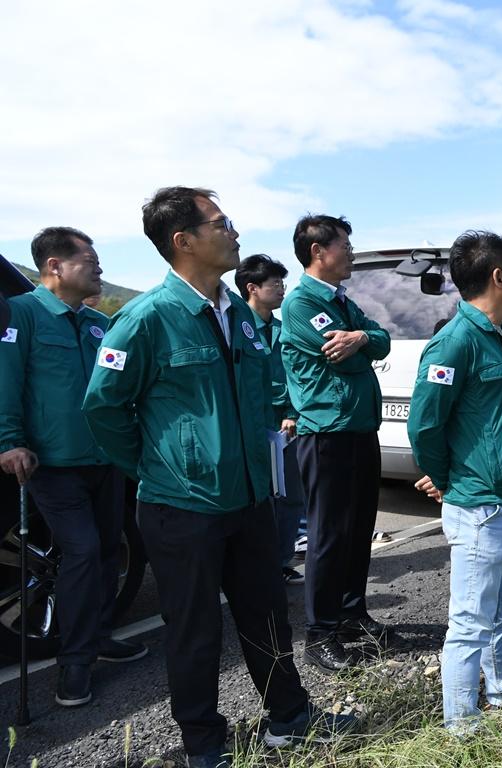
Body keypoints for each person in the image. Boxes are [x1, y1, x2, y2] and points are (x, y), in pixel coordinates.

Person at [83, 187, 353, 767]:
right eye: (221, 222)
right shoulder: (147, 318)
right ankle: (204, 744)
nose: (234, 230)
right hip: (182, 507)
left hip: (250, 497)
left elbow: (255, 398)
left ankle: (291, 717)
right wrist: (158, 467)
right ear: (183, 242)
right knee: (195, 630)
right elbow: (104, 407)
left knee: (267, 615)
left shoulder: (235, 312)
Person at [0, 227, 147, 710]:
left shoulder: (98, 325)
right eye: (90, 259)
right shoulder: (20, 313)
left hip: (105, 461)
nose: (100, 268)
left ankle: (99, 635)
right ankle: (75, 661)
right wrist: (10, 442)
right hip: (53, 464)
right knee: (82, 552)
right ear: (54, 266)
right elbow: (6, 381)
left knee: (108, 551)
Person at [407, 230, 502, 732]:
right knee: (469, 624)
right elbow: (425, 426)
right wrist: (450, 480)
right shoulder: (456, 340)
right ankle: (461, 727)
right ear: (498, 276)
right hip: (481, 506)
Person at [280, 214, 394, 673]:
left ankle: (352, 614)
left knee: (358, 526)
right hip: (326, 432)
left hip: (358, 428)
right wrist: (359, 345)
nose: (350, 251)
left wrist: (363, 336)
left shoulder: (342, 302)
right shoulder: (302, 304)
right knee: (328, 535)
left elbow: (381, 343)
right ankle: (320, 633)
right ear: (317, 251)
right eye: (344, 244)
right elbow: (339, 358)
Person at [234, 254, 305, 586]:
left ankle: (280, 561)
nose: (281, 289)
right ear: (252, 288)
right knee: (255, 498)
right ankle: (254, 563)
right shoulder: (233, 324)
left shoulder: (283, 328)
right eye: (274, 283)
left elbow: (296, 376)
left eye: (282, 283)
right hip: (248, 425)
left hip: (284, 426)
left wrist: (291, 413)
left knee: (290, 496)